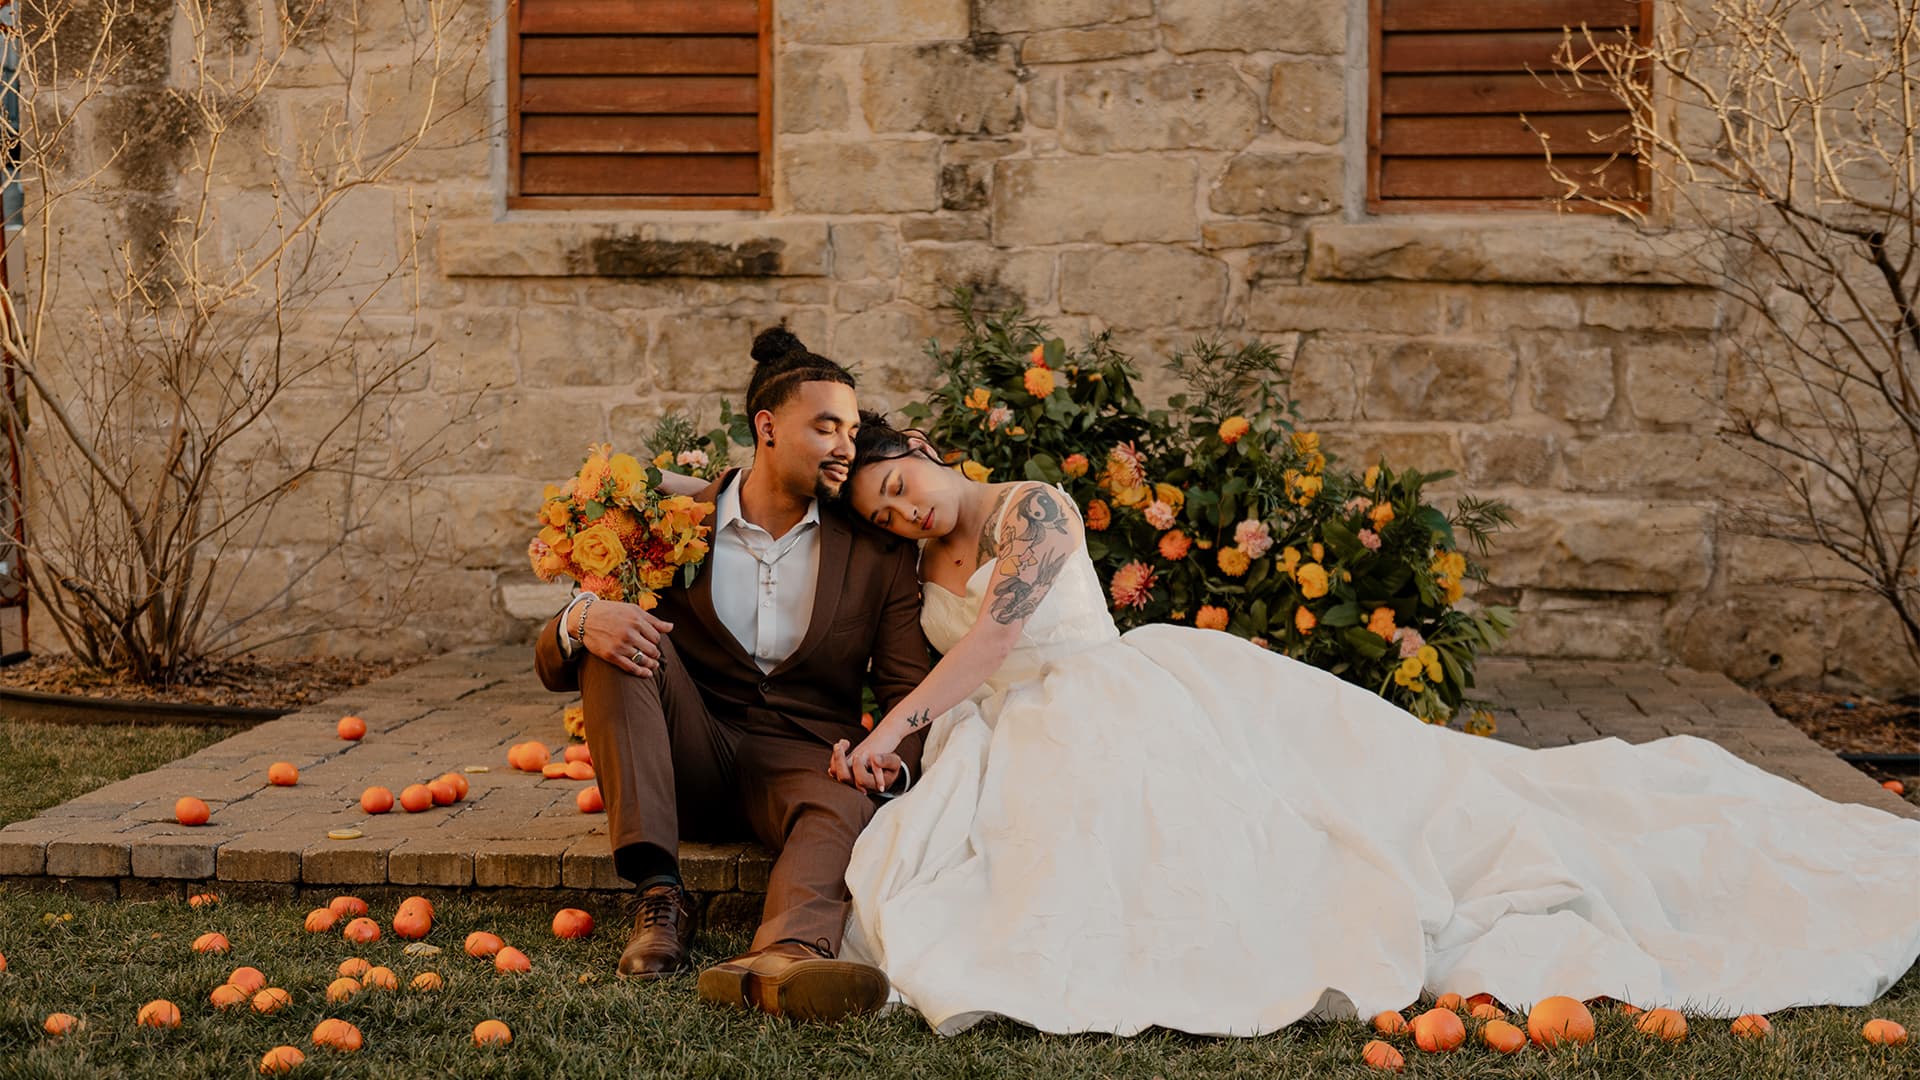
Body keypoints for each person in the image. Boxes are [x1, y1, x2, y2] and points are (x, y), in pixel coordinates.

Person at [826, 411, 1920, 1037]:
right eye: (882, 509)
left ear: (923, 442)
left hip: (1118, 702)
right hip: (1008, 736)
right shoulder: (920, 561)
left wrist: (892, 729)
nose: (904, 510)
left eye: (900, 483)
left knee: (1342, 827)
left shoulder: (1034, 507)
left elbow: (996, 642)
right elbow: (942, 658)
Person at [532, 331, 935, 1021]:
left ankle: (787, 957)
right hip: (691, 750)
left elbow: (906, 689)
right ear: (768, 428)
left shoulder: (877, 553)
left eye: (852, 428)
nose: (846, 444)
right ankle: (659, 896)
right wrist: (583, 617)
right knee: (619, 634)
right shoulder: (672, 526)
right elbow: (550, 662)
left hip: (806, 763)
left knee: (841, 804)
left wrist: (886, 766)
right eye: (827, 427)